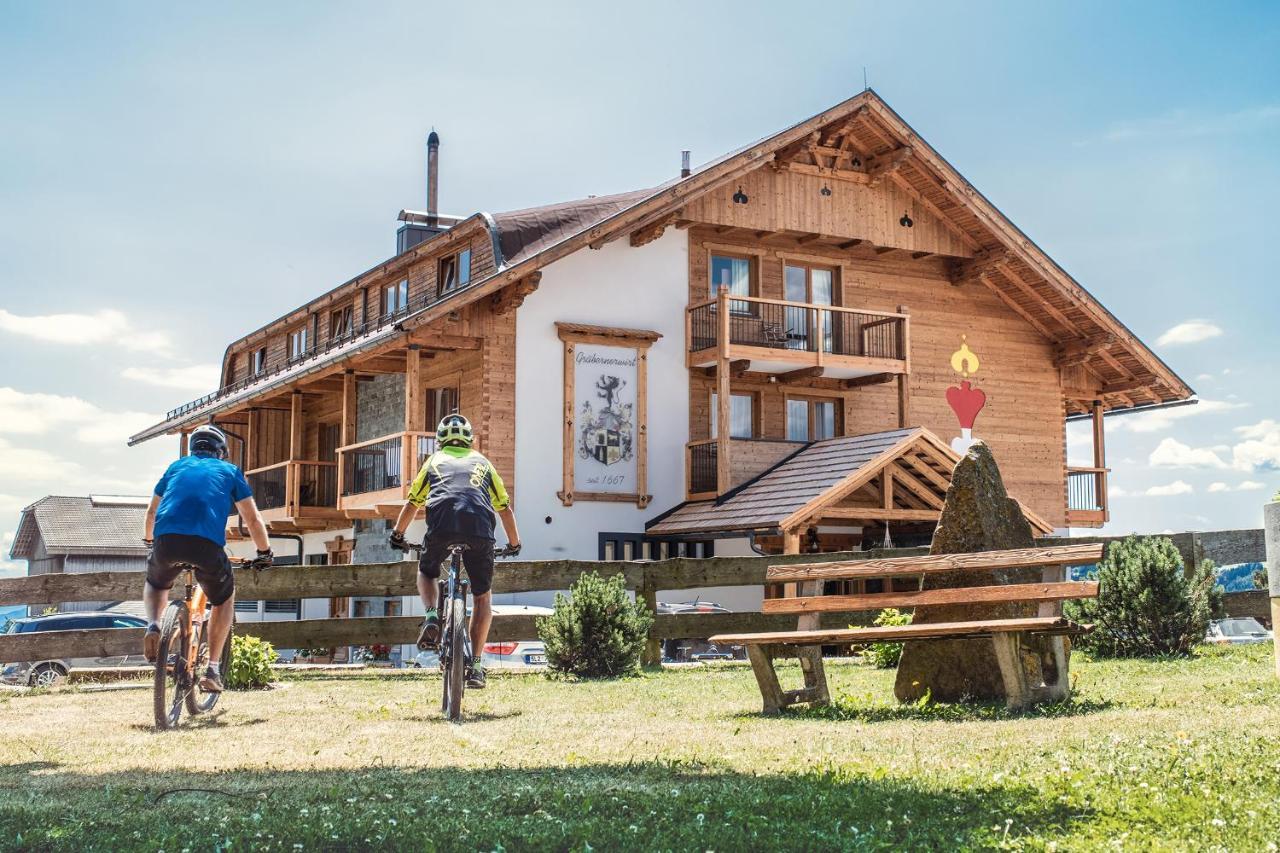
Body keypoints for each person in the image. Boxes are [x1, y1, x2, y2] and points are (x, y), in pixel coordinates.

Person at [390, 413, 521, 689]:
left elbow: (413, 502)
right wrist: (514, 543)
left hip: (441, 527)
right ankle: (474, 665)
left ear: (439, 441)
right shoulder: (483, 462)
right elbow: (504, 508)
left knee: (426, 572)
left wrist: (398, 534)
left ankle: (431, 616)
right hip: (480, 530)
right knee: (483, 598)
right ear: (469, 440)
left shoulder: (433, 461)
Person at [142, 424, 273, 693]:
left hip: (166, 540)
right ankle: (213, 669)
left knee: (156, 583)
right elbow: (252, 518)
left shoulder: (175, 467)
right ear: (221, 451)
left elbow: (152, 512)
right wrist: (264, 552)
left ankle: (154, 624)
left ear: (194, 448)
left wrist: (149, 542)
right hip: (206, 545)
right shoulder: (230, 471)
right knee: (224, 599)